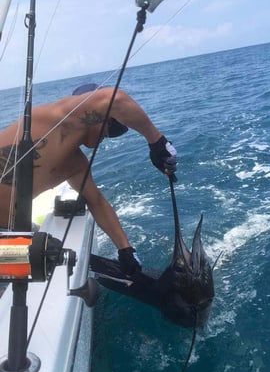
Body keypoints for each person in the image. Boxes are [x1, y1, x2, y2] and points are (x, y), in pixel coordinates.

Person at [0, 83, 177, 278]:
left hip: (10, 233)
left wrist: (125, 249)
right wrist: (156, 141)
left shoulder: (75, 163)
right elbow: (115, 100)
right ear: (95, 114)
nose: (108, 135)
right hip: (6, 240)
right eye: (113, 125)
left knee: (45, 256)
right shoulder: (58, 118)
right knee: (41, 257)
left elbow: (96, 201)